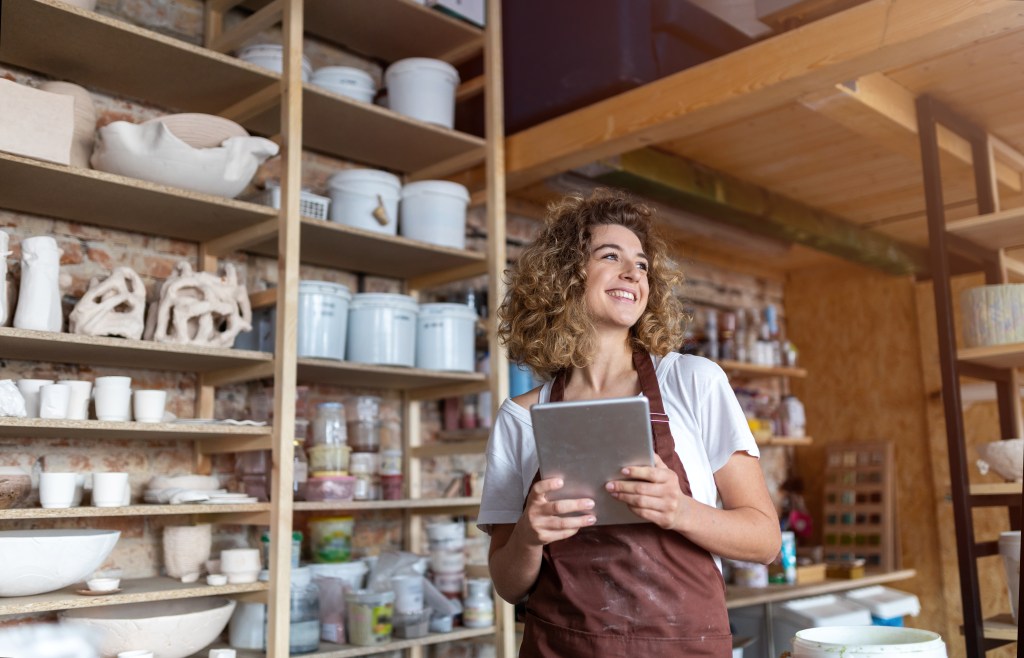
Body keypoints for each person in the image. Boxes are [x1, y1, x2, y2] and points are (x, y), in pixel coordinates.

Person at [477, 189, 781, 657]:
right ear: (565, 276)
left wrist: (679, 510)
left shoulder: (693, 382)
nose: (631, 274)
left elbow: (765, 541)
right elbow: (507, 584)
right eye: (610, 256)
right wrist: (529, 534)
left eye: (641, 265)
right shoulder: (520, 416)